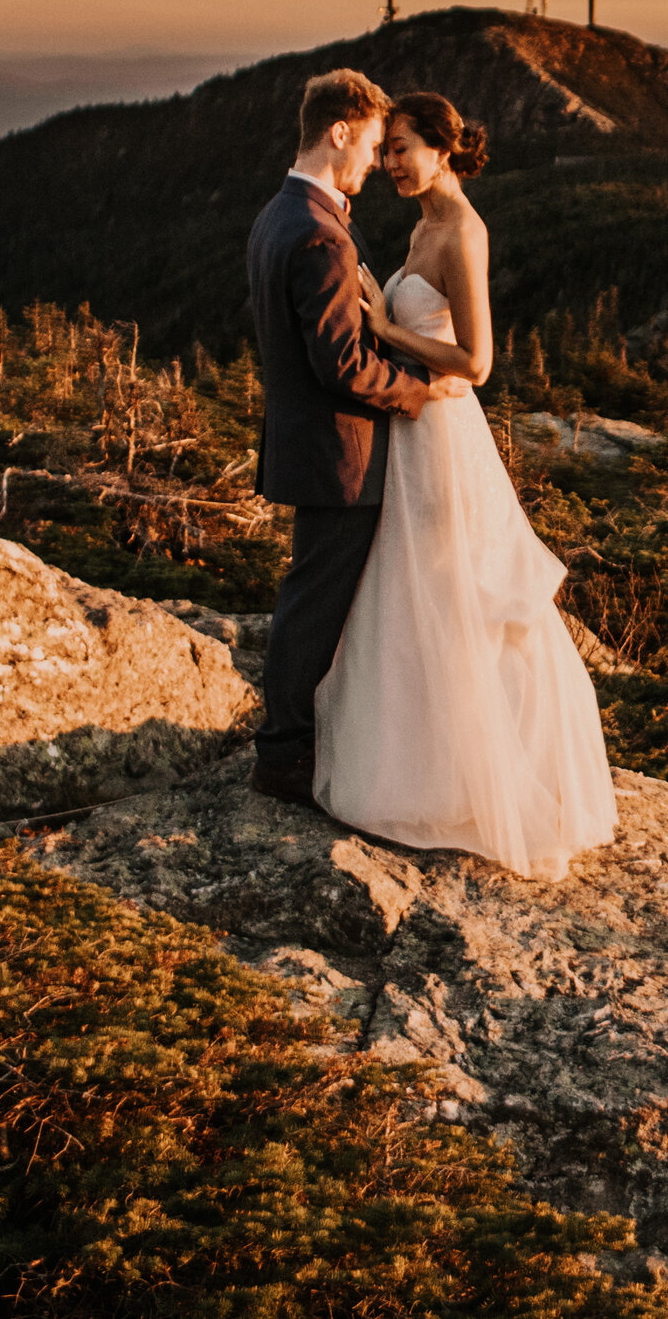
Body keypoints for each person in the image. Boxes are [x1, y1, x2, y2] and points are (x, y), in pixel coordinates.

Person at [311, 90, 618, 879]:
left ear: (444, 149)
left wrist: (384, 329)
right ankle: (424, 762)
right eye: (385, 151)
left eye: (403, 148)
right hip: (414, 430)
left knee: (456, 594)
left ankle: (484, 775)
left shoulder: (465, 233)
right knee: (415, 598)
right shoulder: (423, 225)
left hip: (446, 438)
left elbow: (478, 363)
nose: (388, 165)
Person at [243, 69, 469, 806]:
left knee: (317, 598)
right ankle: (282, 756)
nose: (377, 161)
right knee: (314, 607)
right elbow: (341, 362)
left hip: (310, 446)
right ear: (338, 132)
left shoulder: (278, 214)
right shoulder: (318, 233)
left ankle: (314, 742)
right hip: (342, 453)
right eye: (373, 144)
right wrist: (417, 393)